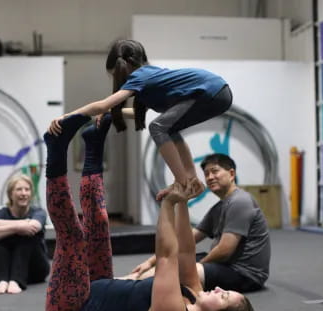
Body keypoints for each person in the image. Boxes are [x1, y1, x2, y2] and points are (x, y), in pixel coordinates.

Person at [44, 113, 266, 311]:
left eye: (223, 296)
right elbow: (186, 251)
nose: (218, 288)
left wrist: (169, 204)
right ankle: (94, 145)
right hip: (95, 286)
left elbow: (167, 257)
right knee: (99, 224)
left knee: (73, 237)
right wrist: (182, 201)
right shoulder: (194, 294)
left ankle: (56, 148)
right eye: (225, 290)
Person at [48, 39, 232, 201]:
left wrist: (68, 116)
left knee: (158, 127)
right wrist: (111, 115)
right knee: (169, 128)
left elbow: (103, 104)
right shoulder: (151, 81)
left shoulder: (140, 76)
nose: (116, 79)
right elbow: (134, 114)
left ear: (125, 65)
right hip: (217, 92)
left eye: (114, 74)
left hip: (211, 91)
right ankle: (190, 179)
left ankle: (182, 182)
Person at [121, 154, 271, 293]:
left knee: (182, 269)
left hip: (245, 274)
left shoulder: (241, 201)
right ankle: (129, 281)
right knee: (175, 259)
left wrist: (192, 268)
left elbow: (225, 250)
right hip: (225, 265)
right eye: (206, 174)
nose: (210, 177)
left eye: (215, 171)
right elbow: (188, 239)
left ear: (231, 174)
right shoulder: (219, 207)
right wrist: (150, 262)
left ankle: (131, 289)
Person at [0, 174, 50, 294]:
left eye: (27, 189)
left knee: (27, 236)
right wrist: (21, 225)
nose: (23, 193)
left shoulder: (38, 212)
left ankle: (16, 281)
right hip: (9, 269)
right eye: (19, 189)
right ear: (11, 194)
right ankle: (1, 281)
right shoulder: (2, 213)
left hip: (35, 269)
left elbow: (34, 227)